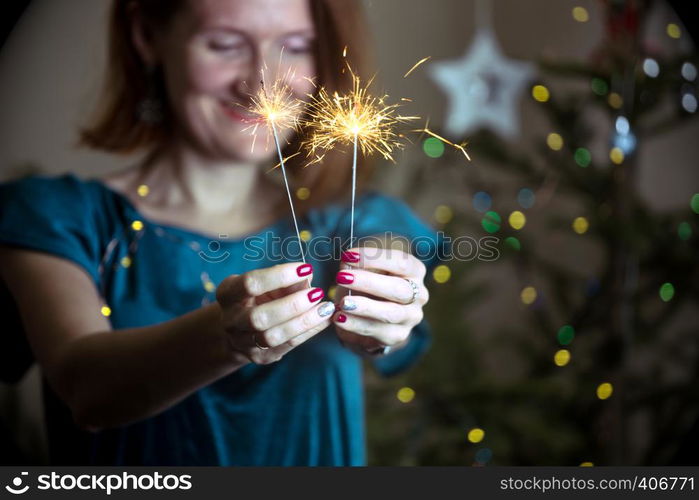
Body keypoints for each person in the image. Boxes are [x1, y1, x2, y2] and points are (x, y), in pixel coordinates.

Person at [0, 0, 442, 465]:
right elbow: (87, 390)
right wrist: (227, 336)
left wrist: (388, 306)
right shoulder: (57, 217)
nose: (262, 81)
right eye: (224, 45)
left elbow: (390, 262)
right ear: (147, 37)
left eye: (294, 46)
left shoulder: (351, 221)